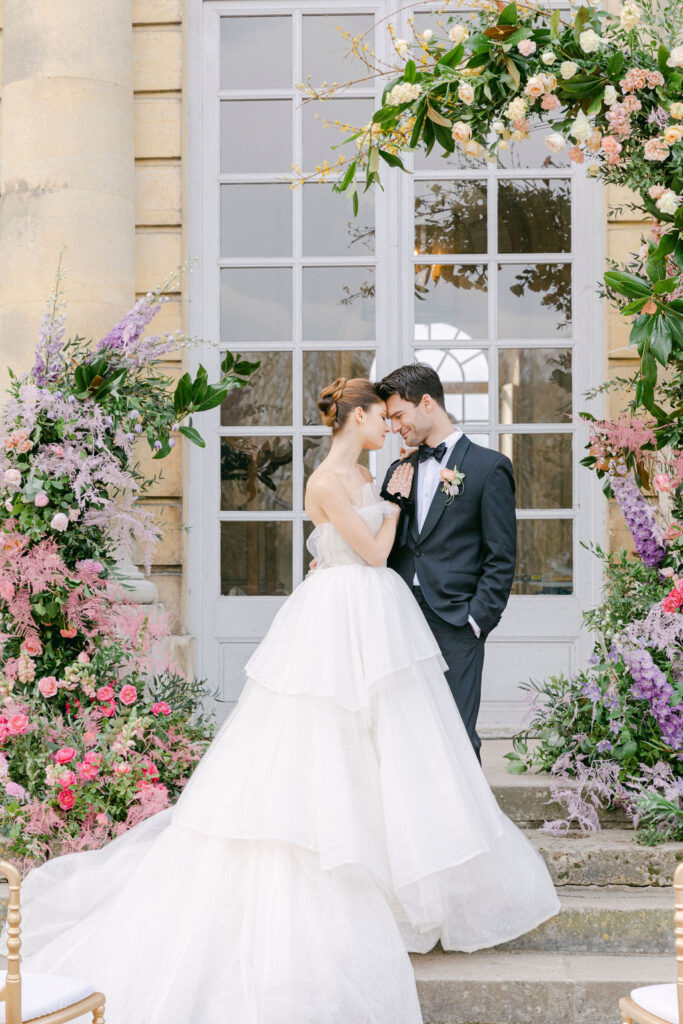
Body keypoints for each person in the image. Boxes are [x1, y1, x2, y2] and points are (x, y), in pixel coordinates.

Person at [4, 377, 559, 1024]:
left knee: (403, 753)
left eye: (394, 416)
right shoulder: (334, 480)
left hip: (386, 620)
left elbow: (440, 547)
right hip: (346, 618)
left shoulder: (384, 474)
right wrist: (397, 506)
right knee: (332, 743)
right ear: (355, 418)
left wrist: (453, 597)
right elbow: (378, 552)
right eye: (380, 417)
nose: (389, 427)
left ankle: (413, 890)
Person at [378, 363, 517, 764]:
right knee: (404, 734)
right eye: (388, 419)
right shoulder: (399, 470)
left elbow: (501, 555)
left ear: (426, 403)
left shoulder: (488, 467)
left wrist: (478, 619)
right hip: (401, 618)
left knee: (456, 735)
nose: (394, 427)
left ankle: (466, 828)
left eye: (399, 415)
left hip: (457, 620)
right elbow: (387, 544)